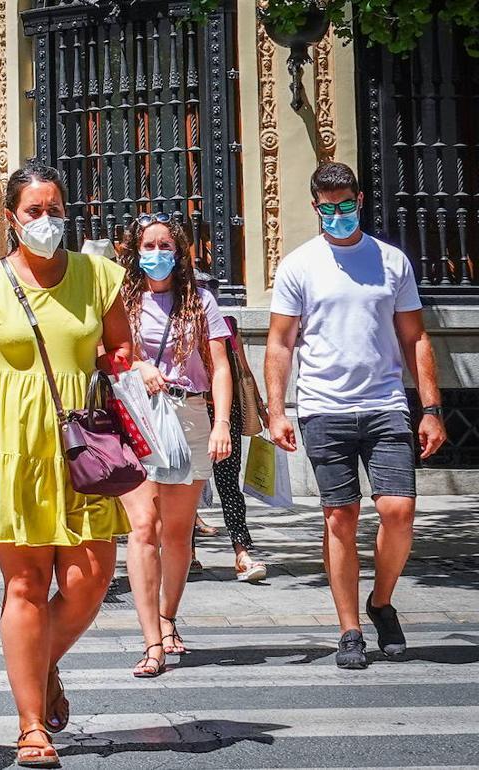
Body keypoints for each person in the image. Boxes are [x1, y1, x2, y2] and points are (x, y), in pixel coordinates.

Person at [0, 163, 135, 768]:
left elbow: (120, 347)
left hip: (84, 444)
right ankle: (31, 725)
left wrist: (123, 367)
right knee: (26, 585)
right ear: (12, 219)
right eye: (34, 211)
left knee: (91, 580)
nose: (46, 220)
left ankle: (40, 661)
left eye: (54, 209)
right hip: (8, 447)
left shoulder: (99, 276)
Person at [265, 161, 445, 670]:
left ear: (359, 200)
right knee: (339, 516)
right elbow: (279, 343)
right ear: (316, 207)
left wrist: (431, 408)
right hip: (323, 408)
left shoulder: (391, 261)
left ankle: (381, 601)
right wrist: (277, 411)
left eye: (346, 204)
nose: (338, 214)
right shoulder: (299, 265)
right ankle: (349, 630)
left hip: (385, 404)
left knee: (398, 510)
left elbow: (415, 337)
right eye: (329, 208)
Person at [117, 213, 233, 677]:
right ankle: (151, 641)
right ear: (135, 252)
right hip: (140, 418)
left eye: (165, 245)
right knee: (144, 526)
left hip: (189, 415)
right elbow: (106, 354)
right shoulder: (122, 299)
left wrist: (221, 423)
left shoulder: (200, 300)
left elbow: (220, 366)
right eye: (148, 246)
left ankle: (168, 617)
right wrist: (138, 365)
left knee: (178, 532)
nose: (157, 253)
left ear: (179, 252)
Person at [209, 315, 268, 582]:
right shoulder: (180, 318)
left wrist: (262, 408)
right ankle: (189, 553)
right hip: (191, 410)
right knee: (184, 489)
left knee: (229, 484)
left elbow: (243, 370)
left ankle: (242, 552)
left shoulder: (227, 325)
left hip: (226, 414)